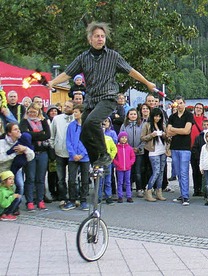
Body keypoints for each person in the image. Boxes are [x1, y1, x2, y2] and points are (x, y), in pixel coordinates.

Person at [48, 22, 156, 168]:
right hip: (91, 99)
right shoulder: (83, 58)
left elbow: (131, 71)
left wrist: (147, 82)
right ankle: (96, 161)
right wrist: (53, 82)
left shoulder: (113, 56)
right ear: (90, 39)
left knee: (92, 122)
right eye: (97, 36)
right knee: (84, 133)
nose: (100, 39)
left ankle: (104, 154)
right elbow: (67, 73)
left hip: (108, 97)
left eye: (102, 36)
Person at [20, 104, 51, 212]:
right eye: (30, 112)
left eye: (34, 112)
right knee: (30, 178)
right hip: (30, 153)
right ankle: (29, 201)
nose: (32, 114)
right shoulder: (24, 122)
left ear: (39, 112)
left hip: (43, 152)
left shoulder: (43, 121)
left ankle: (40, 200)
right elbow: (25, 134)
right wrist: (39, 133)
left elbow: (47, 135)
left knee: (41, 178)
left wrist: (33, 134)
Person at [63, 104, 91, 211]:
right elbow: (68, 141)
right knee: (71, 179)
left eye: (76, 112)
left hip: (84, 157)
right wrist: (73, 154)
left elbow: (88, 141)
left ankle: (83, 200)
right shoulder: (71, 126)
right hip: (73, 157)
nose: (74, 114)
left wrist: (82, 154)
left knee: (84, 179)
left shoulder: (87, 125)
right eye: (74, 112)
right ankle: (72, 200)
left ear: (82, 113)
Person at [167, 96, 194, 206]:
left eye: (181, 103)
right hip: (175, 147)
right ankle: (182, 194)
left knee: (184, 172)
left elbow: (187, 131)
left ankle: (186, 196)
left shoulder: (189, 115)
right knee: (178, 172)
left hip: (185, 148)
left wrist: (174, 130)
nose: (179, 105)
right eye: (177, 103)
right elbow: (168, 132)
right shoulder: (172, 117)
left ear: (184, 103)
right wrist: (178, 131)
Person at [50, 101, 74, 207]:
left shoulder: (76, 118)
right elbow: (52, 135)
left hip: (73, 153)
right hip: (59, 152)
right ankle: (63, 197)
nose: (65, 108)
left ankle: (73, 197)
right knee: (61, 178)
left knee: (73, 178)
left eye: (68, 106)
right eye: (65, 106)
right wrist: (54, 146)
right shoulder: (57, 119)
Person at [141, 108, 167, 202]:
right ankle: (148, 189)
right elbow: (143, 138)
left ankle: (158, 191)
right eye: (156, 116)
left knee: (161, 171)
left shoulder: (162, 125)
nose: (158, 118)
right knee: (156, 172)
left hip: (162, 150)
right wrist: (152, 135)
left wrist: (165, 135)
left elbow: (167, 137)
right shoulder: (147, 125)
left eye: (159, 116)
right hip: (153, 151)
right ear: (152, 116)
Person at [122, 108, 146, 198]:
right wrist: (129, 148)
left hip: (139, 152)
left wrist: (139, 148)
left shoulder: (142, 125)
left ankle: (139, 189)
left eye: (134, 114)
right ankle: (129, 188)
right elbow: (121, 137)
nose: (133, 116)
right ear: (128, 115)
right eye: (131, 114)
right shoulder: (124, 126)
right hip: (128, 152)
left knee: (138, 171)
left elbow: (144, 138)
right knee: (129, 171)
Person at [114, 131, 136, 203]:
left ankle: (129, 196)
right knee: (120, 182)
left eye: (125, 138)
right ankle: (120, 196)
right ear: (119, 138)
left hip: (127, 168)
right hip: (119, 168)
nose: (124, 139)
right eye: (122, 137)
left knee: (128, 182)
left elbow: (133, 157)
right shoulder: (116, 148)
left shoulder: (129, 148)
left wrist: (130, 163)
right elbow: (113, 157)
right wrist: (117, 163)